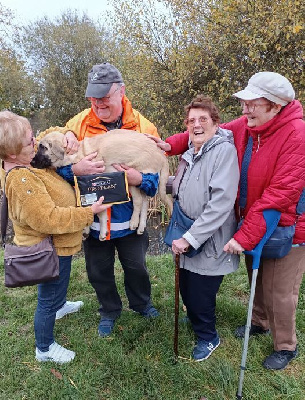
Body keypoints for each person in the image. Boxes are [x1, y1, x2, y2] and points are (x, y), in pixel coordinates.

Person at [158, 72, 305, 370]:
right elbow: (211, 129)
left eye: (252, 103)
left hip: (287, 225)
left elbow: (280, 194)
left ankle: (286, 344)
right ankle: (259, 321)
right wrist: (170, 145)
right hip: (254, 220)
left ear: (276, 106)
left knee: (280, 289)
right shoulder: (251, 126)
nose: (244, 109)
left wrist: (243, 236)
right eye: (244, 103)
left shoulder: (297, 135)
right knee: (257, 279)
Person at [39, 62, 161, 337]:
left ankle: (142, 304)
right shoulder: (77, 124)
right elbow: (54, 165)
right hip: (93, 219)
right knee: (97, 271)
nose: (98, 104)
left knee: (137, 267)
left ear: (121, 92)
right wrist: (76, 171)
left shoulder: (144, 127)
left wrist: (138, 179)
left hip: (128, 220)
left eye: (104, 97)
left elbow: (154, 181)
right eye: (93, 97)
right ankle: (109, 310)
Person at [0, 111, 110, 363]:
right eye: (29, 142)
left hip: (60, 246)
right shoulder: (21, 179)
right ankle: (45, 348)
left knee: (59, 284)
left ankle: (60, 306)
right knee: (47, 299)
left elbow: (50, 133)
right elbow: (48, 219)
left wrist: (68, 134)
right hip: (49, 249)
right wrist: (88, 213)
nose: (35, 143)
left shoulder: (26, 162)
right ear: (12, 153)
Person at [168, 95, 239, 361]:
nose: (196, 125)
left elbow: (221, 203)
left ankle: (208, 337)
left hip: (208, 239)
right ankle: (197, 318)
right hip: (187, 234)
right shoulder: (191, 153)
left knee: (200, 294)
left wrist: (190, 238)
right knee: (187, 288)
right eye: (191, 120)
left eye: (203, 119)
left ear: (215, 123)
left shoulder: (223, 152)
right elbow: (182, 187)